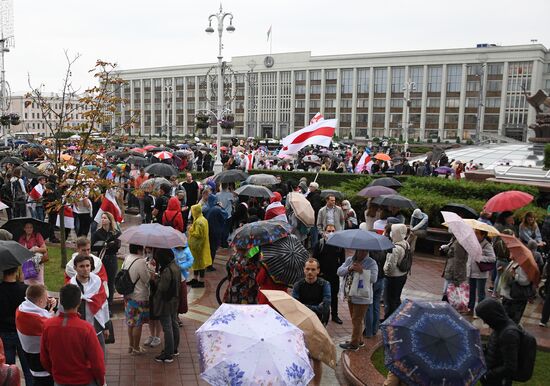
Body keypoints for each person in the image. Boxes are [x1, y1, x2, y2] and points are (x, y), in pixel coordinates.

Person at [40, 284, 105, 386]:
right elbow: (97, 361)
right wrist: (101, 381)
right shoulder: (86, 329)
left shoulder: (48, 326)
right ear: (79, 302)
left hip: (60, 381)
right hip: (84, 381)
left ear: (61, 301)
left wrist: (55, 374)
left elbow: (44, 358)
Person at [291, 257, 330, 386]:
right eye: (307, 269)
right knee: (302, 357)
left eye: (313, 270)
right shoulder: (298, 285)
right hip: (301, 325)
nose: (310, 272)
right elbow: (295, 307)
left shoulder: (324, 284)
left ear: (318, 271)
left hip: (318, 324)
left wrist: (304, 307)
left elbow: (325, 306)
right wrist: (315, 308)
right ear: (304, 270)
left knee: (316, 358)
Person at [337, 249, 378, 351]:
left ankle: (354, 344)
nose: (362, 253)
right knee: (355, 320)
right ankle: (359, 340)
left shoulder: (371, 262)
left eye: (365, 251)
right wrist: (349, 268)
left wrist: (362, 271)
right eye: (360, 251)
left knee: (357, 320)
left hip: (362, 297)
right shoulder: (350, 260)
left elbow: (374, 278)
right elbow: (339, 271)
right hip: (350, 294)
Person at [16, 284, 56, 386]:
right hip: (42, 364)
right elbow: (53, 327)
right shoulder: (40, 322)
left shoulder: (21, 309)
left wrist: (48, 308)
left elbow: (41, 315)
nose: (49, 300)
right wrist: (52, 310)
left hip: (30, 358)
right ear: (41, 301)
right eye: (47, 298)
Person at [69, 255, 111, 354]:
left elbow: (104, 304)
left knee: (100, 356)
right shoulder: (71, 287)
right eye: (82, 266)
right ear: (75, 268)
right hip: (79, 330)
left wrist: (106, 326)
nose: (86, 269)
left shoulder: (97, 282)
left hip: (96, 327)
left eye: (88, 266)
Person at [475, 298, 521, 386]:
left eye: (485, 318)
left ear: (492, 316)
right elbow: (497, 348)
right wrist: (483, 348)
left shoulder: (509, 334)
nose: (484, 321)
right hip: (492, 377)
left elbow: (510, 367)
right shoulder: (499, 326)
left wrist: (487, 376)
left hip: (498, 381)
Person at [0, 266, 33, 386]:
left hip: (4, 333)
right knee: (28, 369)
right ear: (16, 271)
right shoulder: (24, 289)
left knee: (9, 371)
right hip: (22, 332)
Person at [313, 224, 345, 324]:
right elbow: (314, 259)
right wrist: (318, 272)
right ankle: (320, 315)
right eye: (329, 231)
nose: (331, 233)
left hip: (334, 275)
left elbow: (342, 260)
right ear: (324, 232)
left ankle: (334, 315)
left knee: (334, 296)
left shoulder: (339, 245)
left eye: (333, 231)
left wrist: (339, 271)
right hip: (322, 275)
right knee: (321, 296)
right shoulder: (320, 244)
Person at [152, 248, 180, 363]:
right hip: (174, 301)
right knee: (174, 324)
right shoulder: (175, 267)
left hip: (165, 302)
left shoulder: (168, 270)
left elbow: (162, 288)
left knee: (167, 327)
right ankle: (174, 349)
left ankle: (168, 354)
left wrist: (156, 279)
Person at [121, 244, 150, 354]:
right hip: (139, 296)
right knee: (138, 324)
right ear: (139, 249)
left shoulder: (127, 258)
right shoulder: (140, 261)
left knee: (131, 322)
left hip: (128, 295)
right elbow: (146, 279)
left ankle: (131, 345)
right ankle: (136, 347)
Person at [91, 212, 121, 308]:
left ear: (109, 220)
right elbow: (92, 247)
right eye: (102, 218)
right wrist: (103, 244)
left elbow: (117, 247)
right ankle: (101, 303)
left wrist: (114, 244)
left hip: (112, 259)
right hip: (102, 258)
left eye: (105, 218)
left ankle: (109, 305)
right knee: (101, 281)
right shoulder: (97, 233)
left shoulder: (115, 233)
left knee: (111, 282)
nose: (103, 220)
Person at [383, 224, 409, 320]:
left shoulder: (395, 248)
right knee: (396, 298)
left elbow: (390, 266)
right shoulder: (406, 243)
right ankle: (397, 318)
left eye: (392, 231)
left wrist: (384, 271)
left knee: (390, 300)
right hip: (402, 275)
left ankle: (389, 319)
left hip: (393, 277)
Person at [467, 230, 496, 315]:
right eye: (475, 233)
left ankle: (480, 311)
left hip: (481, 273)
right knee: (471, 291)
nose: (475, 234)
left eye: (477, 233)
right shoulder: (472, 242)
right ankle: (470, 308)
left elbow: (492, 258)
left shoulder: (487, 245)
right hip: (471, 270)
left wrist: (480, 258)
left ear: (483, 235)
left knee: (480, 293)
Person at [498, 257, 534, 324]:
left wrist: (515, 276)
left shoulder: (523, 265)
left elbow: (526, 281)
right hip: (507, 295)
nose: (509, 254)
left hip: (515, 297)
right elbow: (508, 276)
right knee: (505, 318)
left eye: (511, 252)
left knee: (512, 320)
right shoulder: (512, 262)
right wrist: (503, 270)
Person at [188, 204, 211, 288]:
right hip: (199, 246)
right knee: (197, 263)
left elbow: (198, 234)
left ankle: (201, 281)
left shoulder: (199, 222)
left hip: (199, 246)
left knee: (200, 264)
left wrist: (190, 229)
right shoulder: (202, 219)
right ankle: (195, 279)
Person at [18, 221, 48, 285]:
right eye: (27, 227)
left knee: (39, 282)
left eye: (31, 227)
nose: (29, 229)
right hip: (26, 263)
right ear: (24, 229)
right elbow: (19, 251)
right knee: (27, 282)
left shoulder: (37, 236)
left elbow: (44, 249)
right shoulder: (21, 238)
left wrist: (35, 249)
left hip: (37, 263)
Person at [204, 194, 226, 272]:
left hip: (207, 231)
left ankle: (206, 263)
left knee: (207, 248)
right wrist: (222, 207)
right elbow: (225, 215)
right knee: (213, 249)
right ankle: (210, 266)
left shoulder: (206, 208)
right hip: (215, 231)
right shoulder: (217, 209)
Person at [307, 182, 323, 247]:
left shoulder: (316, 196)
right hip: (311, 216)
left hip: (314, 217)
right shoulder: (311, 194)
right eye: (309, 186)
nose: (309, 187)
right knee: (312, 232)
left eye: (311, 186)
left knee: (314, 233)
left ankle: (315, 246)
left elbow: (316, 207)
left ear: (314, 188)